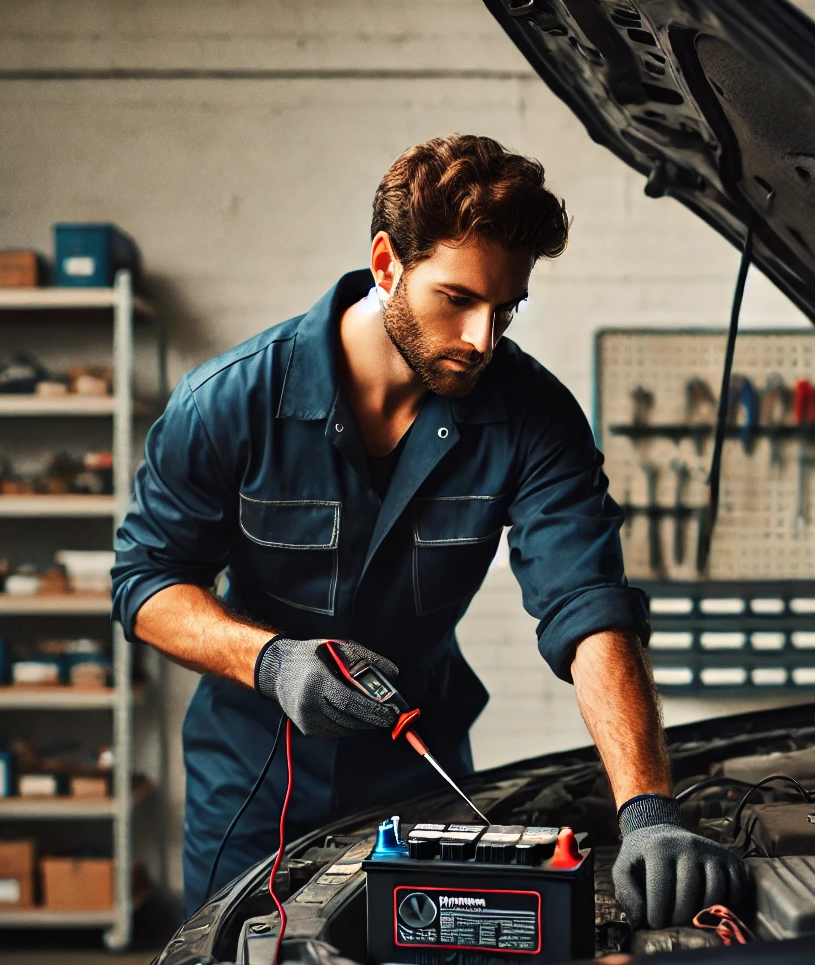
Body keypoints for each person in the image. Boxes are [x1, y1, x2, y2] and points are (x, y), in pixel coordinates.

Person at [112, 134, 743, 924]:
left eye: (505, 308)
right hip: (250, 783)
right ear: (386, 265)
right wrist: (270, 661)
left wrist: (647, 807)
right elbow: (144, 582)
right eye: (459, 299)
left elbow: (588, 606)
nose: (485, 338)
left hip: (419, 773)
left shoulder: (533, 419)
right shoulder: (230, 401)